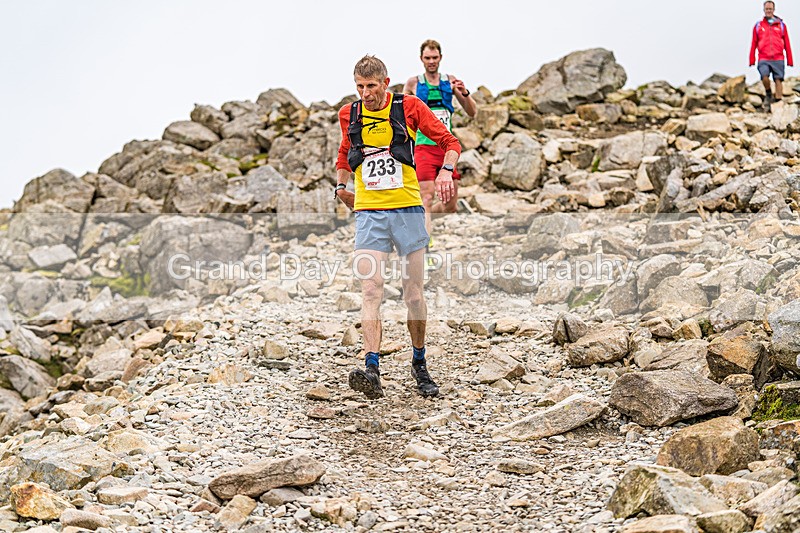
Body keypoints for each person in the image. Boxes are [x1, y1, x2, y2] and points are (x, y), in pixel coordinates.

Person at [334, 55, 462, 399]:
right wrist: (341, 187)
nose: (365, 93)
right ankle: (371, 367)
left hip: (407, 210)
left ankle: (419, 363)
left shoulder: (410, 106)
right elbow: (345, 153)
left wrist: (446, 172)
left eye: (371, 86)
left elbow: (451, 143)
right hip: (370, 213)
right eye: (359, 87)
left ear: (385, 82)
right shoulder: (350, 113)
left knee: (413, 294)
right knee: (372, 290)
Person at [403, 40, 477, 252]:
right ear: (421, 59)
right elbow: (401, 115)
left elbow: (472, 112)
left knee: (450, 205)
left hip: (446, 148)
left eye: (435, 58)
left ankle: (420, 219)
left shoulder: (450, 82)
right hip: (423, 147)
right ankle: (424, 241)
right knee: (426, 196)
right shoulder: (413, 84)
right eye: (428, 58)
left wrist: (465, 93)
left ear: (441, 58)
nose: (431, 62)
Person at [750, 1, 793, 110]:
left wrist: (790, 60)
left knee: (778, 80)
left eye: (770, 9)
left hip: (778, 57)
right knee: (764, 76)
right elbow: (754, 43)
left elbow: (787, 43)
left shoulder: (781, 25)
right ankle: (768, 93)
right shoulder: (758, 26)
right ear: (764, 10)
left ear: (774, 10)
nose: (769, 11)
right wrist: (752, 59)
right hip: (763, 57)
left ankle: (778, 102)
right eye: (767, 9)